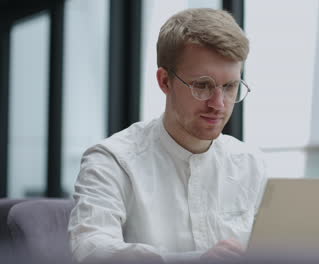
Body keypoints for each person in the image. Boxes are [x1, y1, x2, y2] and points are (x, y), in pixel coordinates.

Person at [68, 8, 267, 264]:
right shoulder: (112, 160)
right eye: (202, 85)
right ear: (164, 81)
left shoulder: (251, 163)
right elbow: (90, 251)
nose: (218, 104)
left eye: (229, 87)